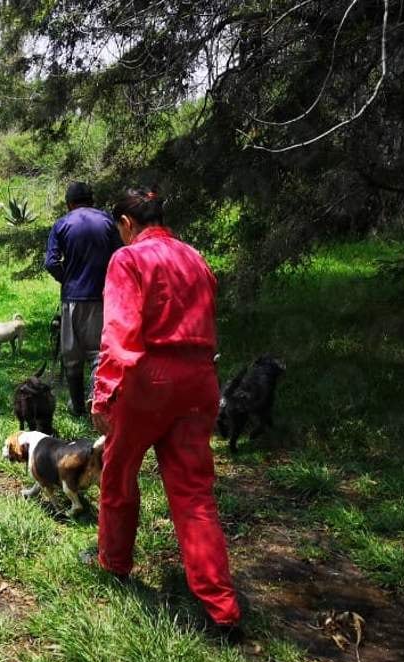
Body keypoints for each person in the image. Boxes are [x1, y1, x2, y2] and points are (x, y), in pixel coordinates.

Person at [90, 187, 241, 631]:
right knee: (195, 495)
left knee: (118, 476)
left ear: (126, 223)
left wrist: (104, 394)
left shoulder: (129, 259)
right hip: (200, 381)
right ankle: (222, 609)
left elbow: (119, 332)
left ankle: (114, 563)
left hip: (148, 380)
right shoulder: (194, 256)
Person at [44, 181, 121, 415]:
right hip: (102, 297)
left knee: (72, 354)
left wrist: (67, 279)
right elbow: (120, 255)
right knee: (99, 353)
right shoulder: (108, 221)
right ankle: (97, 400)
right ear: (92, 200)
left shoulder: (62, 224)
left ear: (69, 204)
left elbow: (51, 262)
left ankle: (77, 406)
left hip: (72, 298)